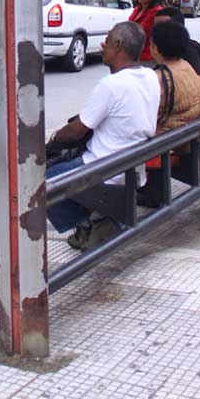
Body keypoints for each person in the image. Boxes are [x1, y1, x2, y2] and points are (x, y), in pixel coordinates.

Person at [46, 21, 160, 250]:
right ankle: (97, 219)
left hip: (104, 168)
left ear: (118, 46)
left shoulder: (111, 85)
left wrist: (52, 140)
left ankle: (89, 223)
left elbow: (77, 130)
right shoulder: (149, 77)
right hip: (132, 167)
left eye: (106, 41)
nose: (102, 46)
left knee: (40, 181)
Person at [136, 19, 200, 208]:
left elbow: (141, 117)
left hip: (167, 142)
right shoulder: (187, 67)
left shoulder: (160, 78)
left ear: (156, 48)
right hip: (187, 135)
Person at [154, 7, 200, 112]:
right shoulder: (166, 49)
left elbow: (194, 89)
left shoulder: (189, 49)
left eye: (162, 26)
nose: (156, 31)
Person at [128, 0, 167, 64]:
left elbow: (140, 32)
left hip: (149, 58)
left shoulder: (157, 12)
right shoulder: (137, 9)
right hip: (134, 56)